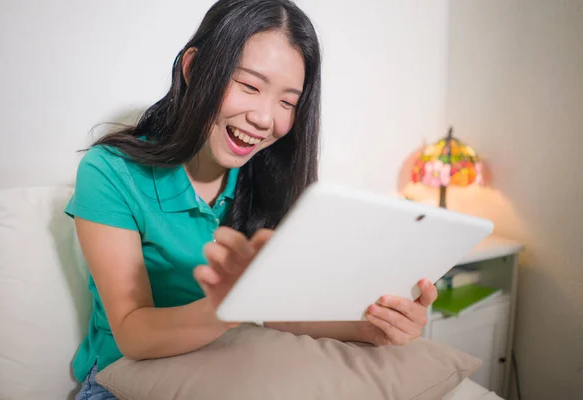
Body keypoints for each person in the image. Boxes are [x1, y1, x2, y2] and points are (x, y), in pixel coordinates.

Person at [68, 0, 438, 398]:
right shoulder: (111, 170)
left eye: (286, 102)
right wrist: (230, 306)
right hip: (123, 379)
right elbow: (132, 333)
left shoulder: (273, 178)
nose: (264, 118)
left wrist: (371, 327)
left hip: (229, 367)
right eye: (249, 86)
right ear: (193, 68)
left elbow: (284, 314)